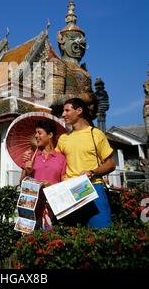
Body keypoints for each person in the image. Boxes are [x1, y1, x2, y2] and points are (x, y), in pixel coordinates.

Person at [56, 97, 116, 228]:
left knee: (101, 235)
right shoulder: (63, 139)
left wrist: (92, 172)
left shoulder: (96, 134)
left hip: (93, 187)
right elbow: (55, 163)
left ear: (79, 111)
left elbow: (111, 163)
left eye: (67, 110)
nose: (63, 114)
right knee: (71, 238)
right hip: (69, 190)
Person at [19, 119, 67, 229]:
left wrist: (50, 186)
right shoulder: (30, 157)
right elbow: (21, 183)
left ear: (50, 135)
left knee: (52, 242)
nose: (36, 136)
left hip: (53, 208)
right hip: (31, 208)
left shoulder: (61, 159)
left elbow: (64, 185)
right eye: (35, 133)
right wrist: (27, 171)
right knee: (29, 243)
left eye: (39, 133)